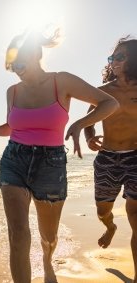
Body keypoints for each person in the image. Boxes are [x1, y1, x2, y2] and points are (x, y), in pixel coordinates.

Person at [0, 29, 119, 283]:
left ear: (34, 54)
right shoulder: (12, 92)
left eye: (20, 63)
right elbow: (13, 127)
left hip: (51, 165)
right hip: (14, 161)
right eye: (11, 66)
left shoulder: (61, 81)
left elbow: (109, 103)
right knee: (18, 234)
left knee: (48, 236)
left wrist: (79, 124)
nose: (16, 70)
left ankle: (47, 261)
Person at [84, 36, 137, 283]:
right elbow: (89, 118)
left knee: (135, 216)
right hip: (106, 159)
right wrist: (90, 135)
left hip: (135, 159)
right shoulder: (103, 91)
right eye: (111, 58)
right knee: (102, 210)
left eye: (119, 57)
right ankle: (110, 227)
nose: (113, 62)